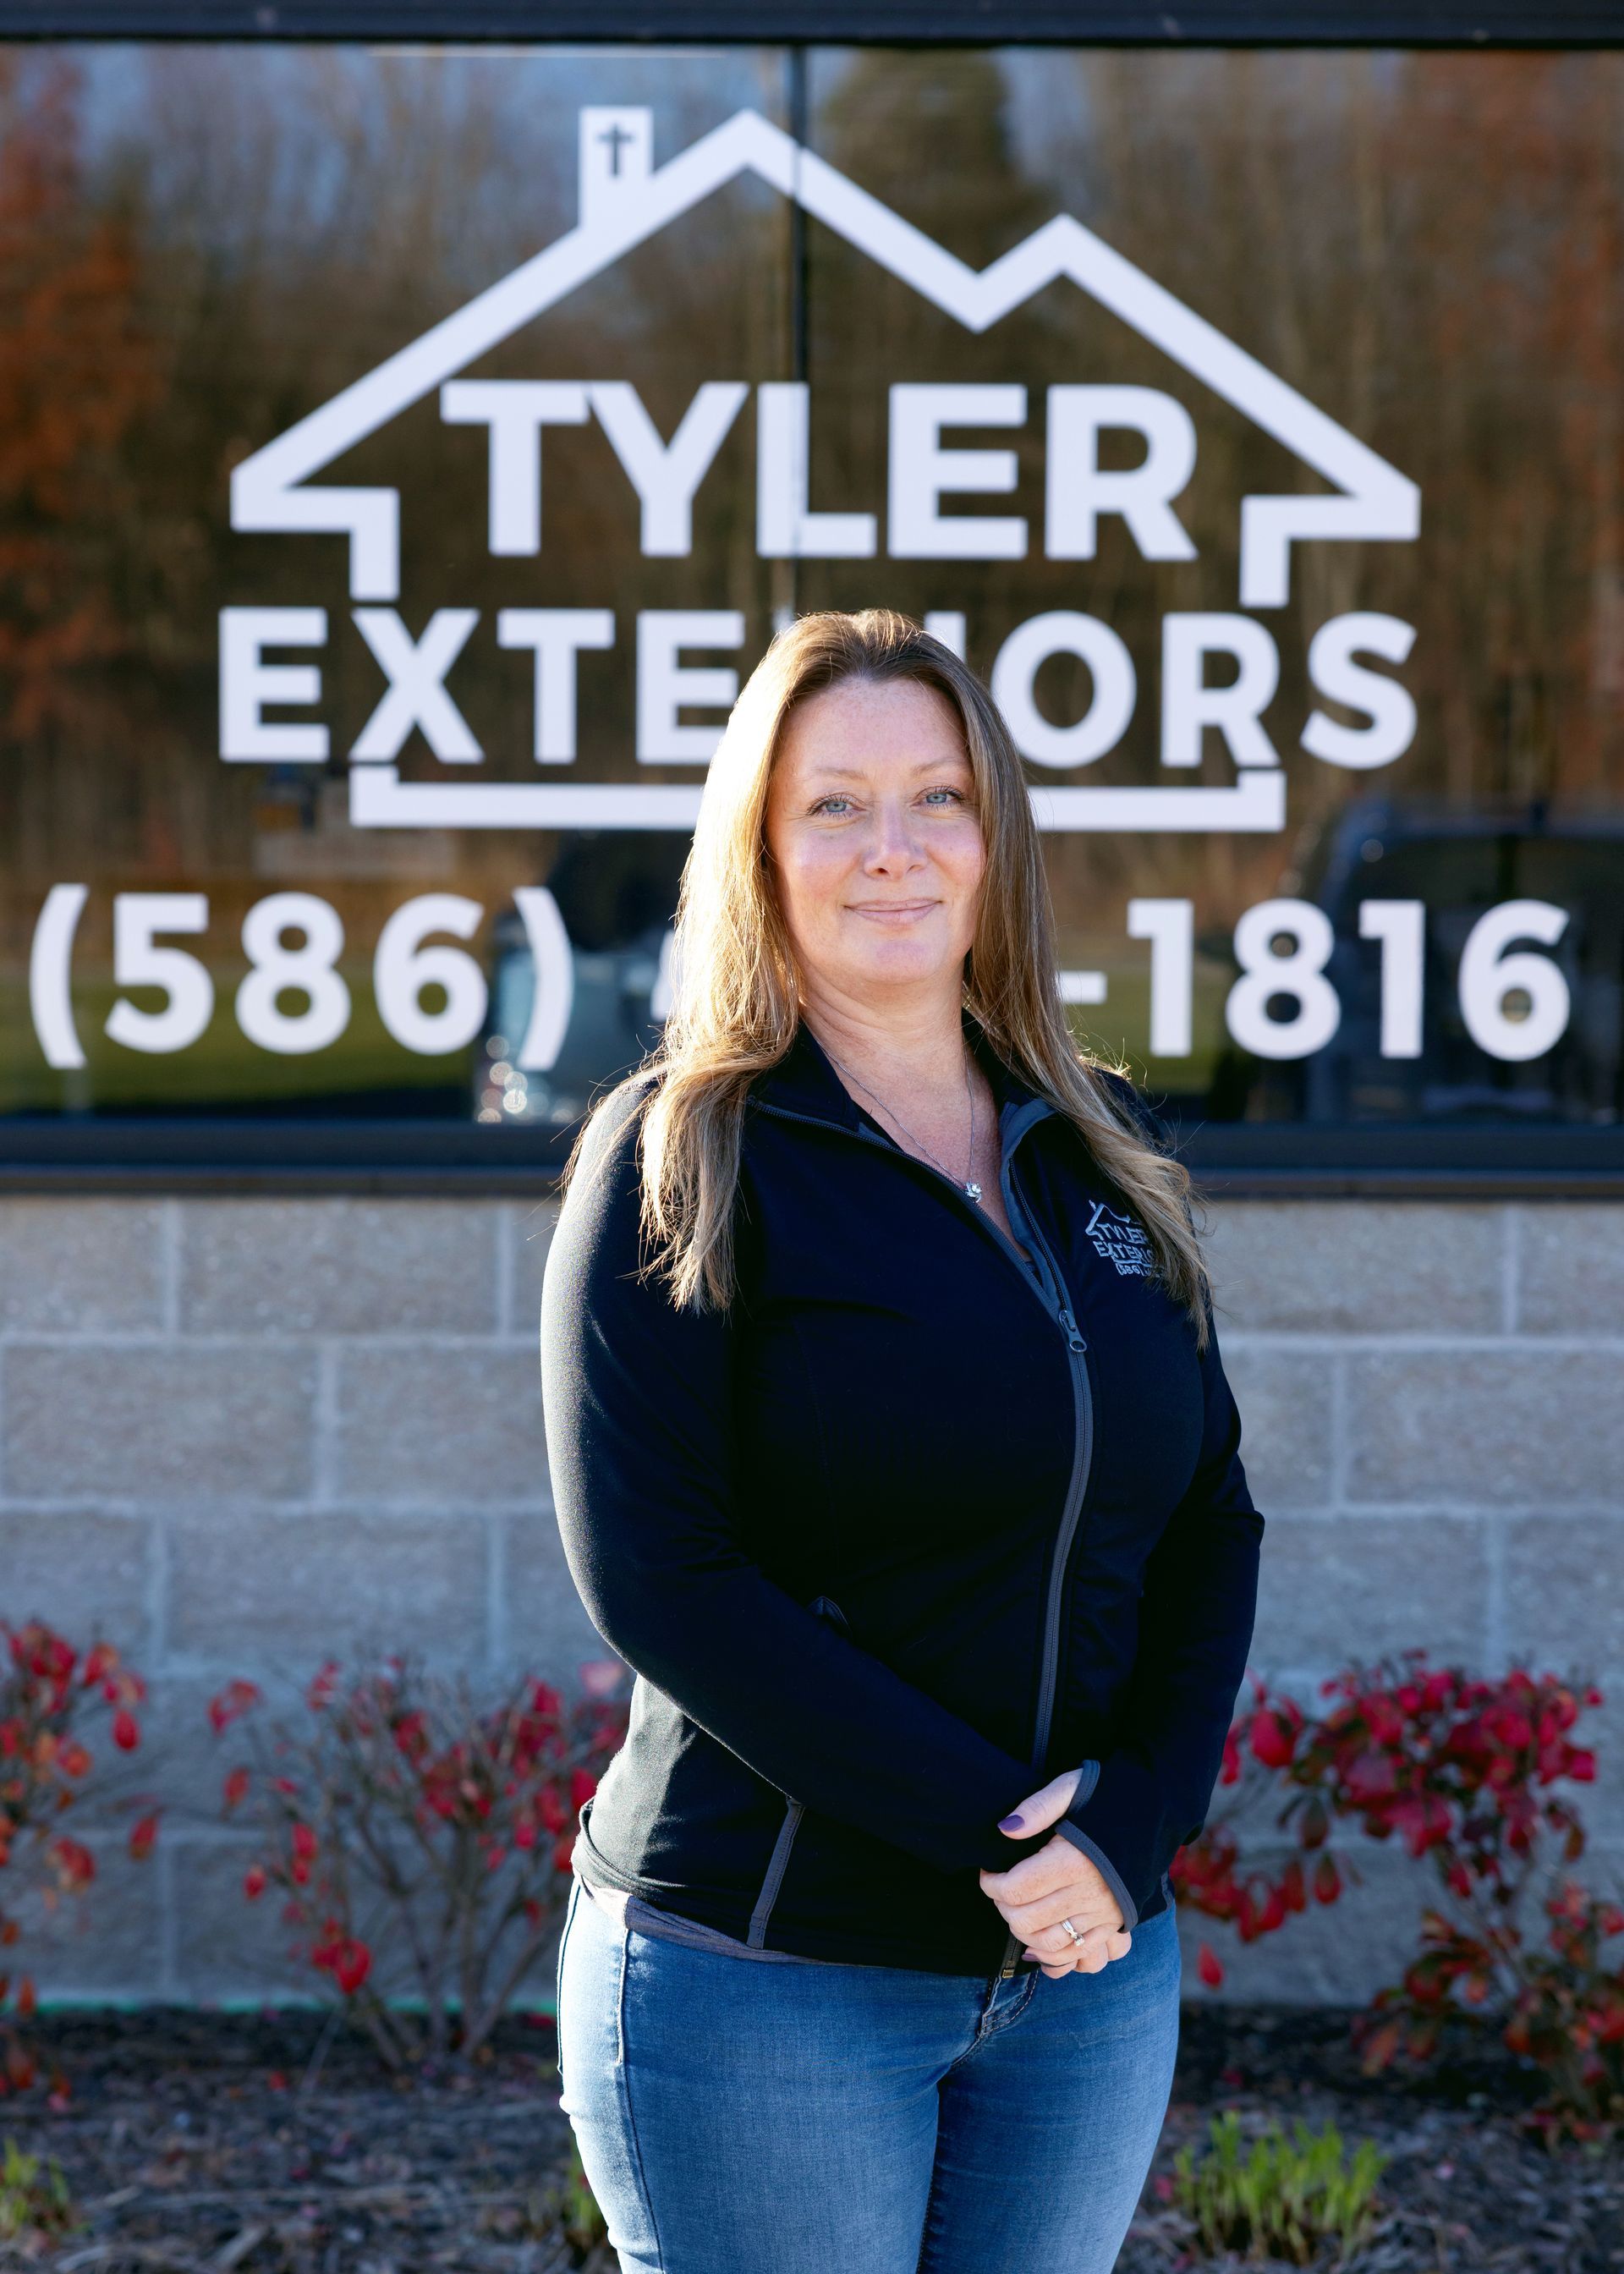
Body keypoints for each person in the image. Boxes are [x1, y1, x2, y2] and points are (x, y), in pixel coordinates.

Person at [539, 607, 1263, 2274]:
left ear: (997, 832)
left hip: (1082, 1975)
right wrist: (1015, 1839)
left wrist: (1133, 1829)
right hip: (769, 1983)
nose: (894, 849)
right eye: (833, 805)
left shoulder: (1098, 1145)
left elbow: (1211, 1514)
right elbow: (664, 1581)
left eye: (938, 796)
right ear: (761, 848)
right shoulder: (684, 1159)